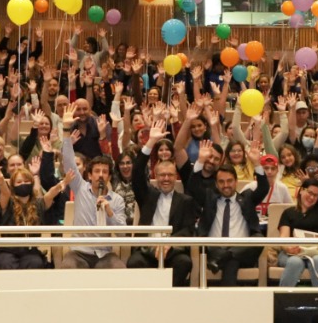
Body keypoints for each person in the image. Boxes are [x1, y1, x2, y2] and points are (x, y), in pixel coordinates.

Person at [183, 146, 270, 287]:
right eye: (221, 182)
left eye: (229, 181)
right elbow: (192, 187)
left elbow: (264, 188)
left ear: (236, 182)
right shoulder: (209, 198)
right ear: (216, 184)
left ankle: (224, 257)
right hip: (213, 250)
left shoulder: (247, 198)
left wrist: (257, 164)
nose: (226, 185)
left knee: (258, 239)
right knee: (231, 261)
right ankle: (225, 260)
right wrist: (200, 161)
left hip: (242, 250)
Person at [127, 134, 198, 287]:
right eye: (162, 175)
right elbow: (137, 172)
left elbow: (188, 229)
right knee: (134, 263)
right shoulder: (146, 195)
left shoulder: (185, 201)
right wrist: (151, 142)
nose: (166, 178)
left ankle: (168, 299)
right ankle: (146, 300)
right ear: (155, 176)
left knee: (184, 262)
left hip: (171, 250)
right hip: (147, 248)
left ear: (175, 176)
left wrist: (170, 243)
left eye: (170, 175)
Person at [58, 115, 127, 269]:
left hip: (104, 253)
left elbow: (123, 234)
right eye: (96, 171)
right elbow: (69, 161)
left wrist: (109, 212)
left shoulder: (117, 200)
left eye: (104, 172)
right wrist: (66, 130)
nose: (100, 175)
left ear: (109, 176)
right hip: (79, 252)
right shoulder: (80, 187)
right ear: (89, 175)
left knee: (119, 268)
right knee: (67, 267)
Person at [275, 178, 318, 287]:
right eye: (310, 192)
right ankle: (283, 297)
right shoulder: (288, 213)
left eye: (316, 195)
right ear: (301, 190)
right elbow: (283, 237)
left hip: (315, 253)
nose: (312, 197)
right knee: (295, 261)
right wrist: (288, 248)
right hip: (291, 253)